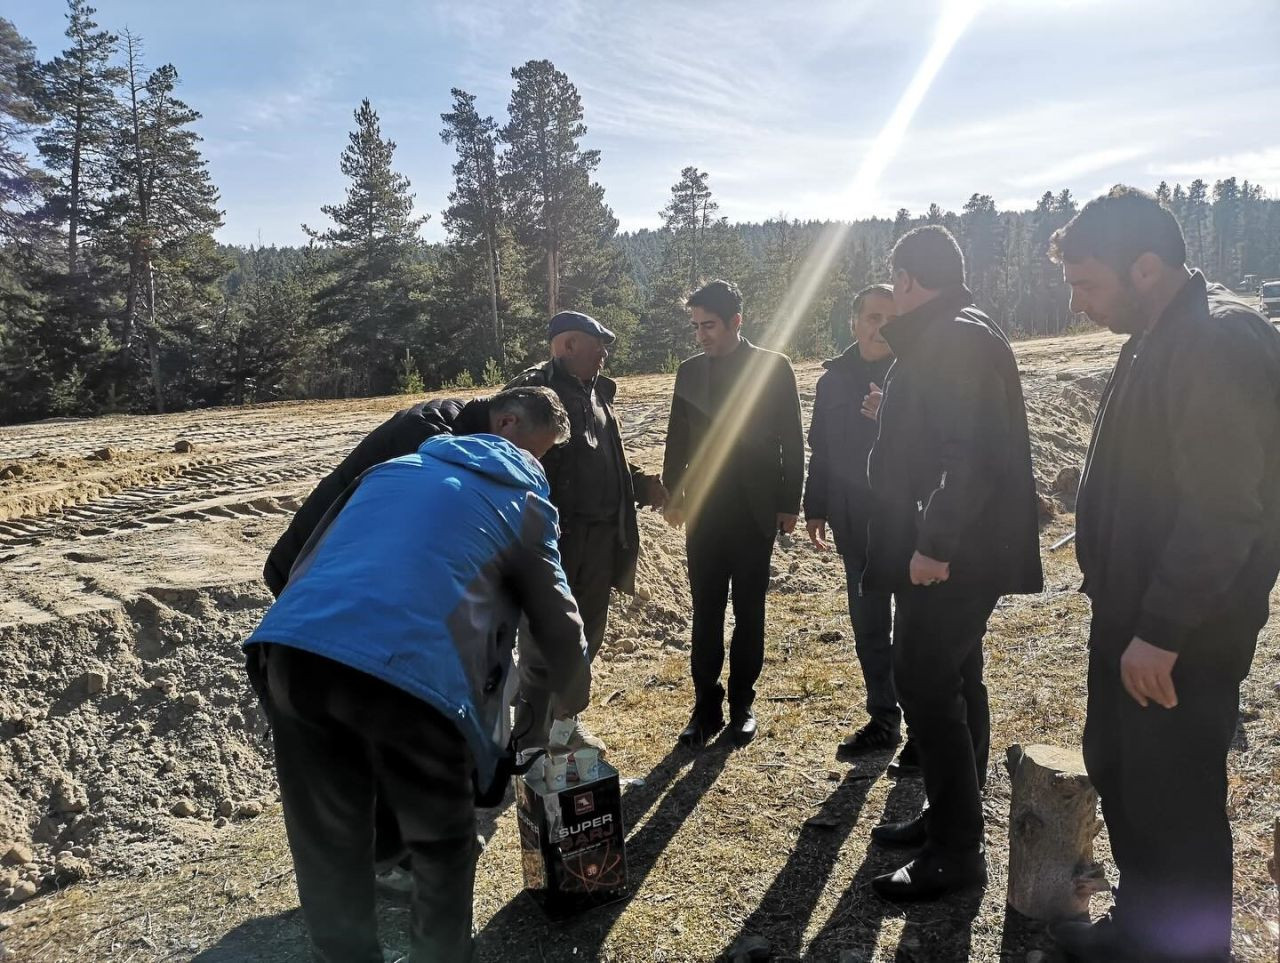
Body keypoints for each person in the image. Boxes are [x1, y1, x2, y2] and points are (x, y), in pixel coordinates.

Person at [243, 386, 589, 963]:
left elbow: (307, 559)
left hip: (293, 655)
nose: (544, 463)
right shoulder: (525, 502)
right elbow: (560, 629)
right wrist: (569, 704)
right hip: (406, 677)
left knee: (330, 844)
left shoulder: (395, 468)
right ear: (512, 435)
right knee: (442, 851)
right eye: (543, 453)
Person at [1046, 187, 1280, 963]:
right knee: (1126, 771)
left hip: (1183, 630)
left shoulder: (1215, 341)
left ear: (1145, 267)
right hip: (1137, 614)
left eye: (1087, 284)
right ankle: (1147, 930)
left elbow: (1223, 510)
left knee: (1175, 797)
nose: (1078, 303)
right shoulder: (1152, 337)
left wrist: (1161, 628)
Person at [863, 226, 1043, 901]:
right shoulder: (953, 330)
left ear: (910, 280)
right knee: (958, 677)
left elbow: (969, 457)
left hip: (956, 553)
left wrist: (934, 543)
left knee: (926, 679)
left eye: (895, 281)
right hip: (956, 549)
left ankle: (957, 853)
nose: (892, 293)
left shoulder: (957, 337)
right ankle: (951, 813)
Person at [505, 311, 668, 751]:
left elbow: (607, 460)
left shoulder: (597, 395)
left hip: (601, 539)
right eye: (599, 345)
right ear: (569, 345)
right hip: (553, 541)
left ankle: (565, 722)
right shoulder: (531, 394)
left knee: (586, 633)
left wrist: (643, 485)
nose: (605, 354)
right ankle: (530, 738)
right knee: (544, 639)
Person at [662, 279, 805, 748]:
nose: (702, 335)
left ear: (736, 322)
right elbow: (676, 439)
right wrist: (674, 497)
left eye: (710, 326)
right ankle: (705, 708)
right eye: (696, 327)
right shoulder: (688, 372)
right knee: (705, 613)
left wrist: (789, 502)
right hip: (704, 510)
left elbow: (791, 439)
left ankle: (743, 705)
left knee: (749, 611)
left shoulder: (773, 368)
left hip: (754, 511)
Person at [803, 283, 916, 770]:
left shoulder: (916, 374)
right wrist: (815, 507)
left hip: (908, 526)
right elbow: (821, 452)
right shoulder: (832, 381)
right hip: (854, 524)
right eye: (871, 316)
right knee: (869, 628)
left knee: (914, 631)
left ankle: (923, 727)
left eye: (890, 318)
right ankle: (883, 719)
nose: (880, 327)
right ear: (853, 321)